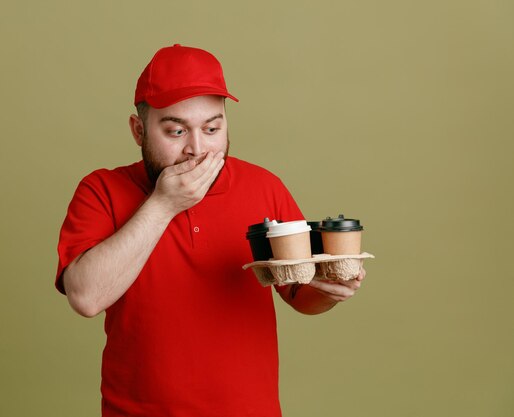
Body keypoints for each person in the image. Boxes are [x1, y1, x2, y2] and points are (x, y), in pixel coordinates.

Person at [55, 44, 366, 417]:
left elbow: (299, 293)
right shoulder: (101, 190)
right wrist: (164, 204)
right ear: (139, 131)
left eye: (212, 128)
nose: (197, 149)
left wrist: (329, 291)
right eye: (175, 131)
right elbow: (85, 297)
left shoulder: (264, 187)